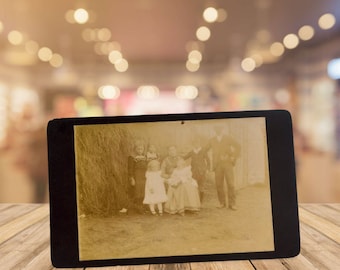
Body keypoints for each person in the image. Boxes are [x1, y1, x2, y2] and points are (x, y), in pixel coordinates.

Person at [209, 125, 241, 210]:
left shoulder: (228, 138)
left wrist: (233, 157)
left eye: (219, 128)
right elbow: (204, 149)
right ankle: (222, 203)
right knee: (219, 184)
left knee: (230, 184)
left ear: (222, 129)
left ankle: (232, 204)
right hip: (217, 165)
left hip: (227, 164)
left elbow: (238, 146)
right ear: (214, 129)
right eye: (216, 128)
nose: (218, 130)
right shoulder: (212, 140)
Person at [126, 143, 148, 213]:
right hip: (137, 175)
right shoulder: (132, 157)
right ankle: (138, 208)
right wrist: (132, 178)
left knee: (144, 190)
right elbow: (130, 168)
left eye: (141, 149)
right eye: (138, 149)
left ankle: (143, 207)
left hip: (144, 175)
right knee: (137, 191)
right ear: (135, 149)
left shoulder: (145, 157)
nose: (140, 150)